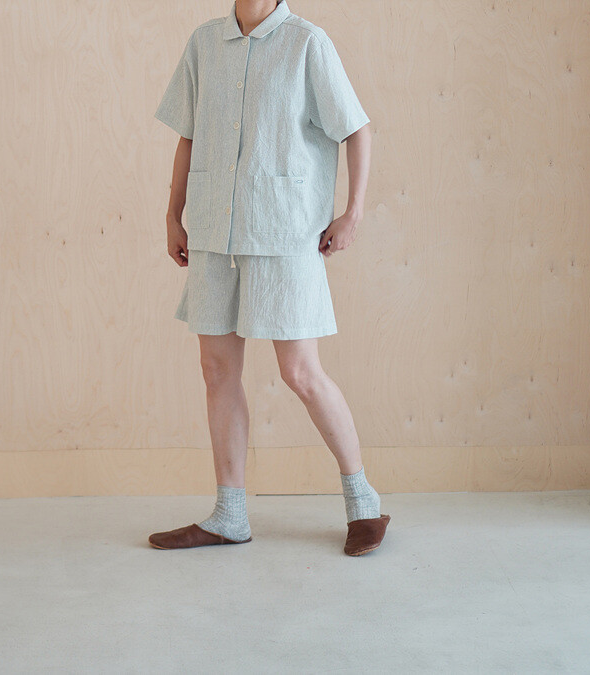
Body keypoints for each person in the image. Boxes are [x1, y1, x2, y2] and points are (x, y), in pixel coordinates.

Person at [149, 0, 389, 556]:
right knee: (216, 370)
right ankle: (229, 514)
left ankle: (364, 503)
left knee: (300, 371)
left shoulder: (307, 43)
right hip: (214, 231)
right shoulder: (204, 44)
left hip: (284, 232)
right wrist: (172, 215)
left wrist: (353, 213)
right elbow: (188, 136)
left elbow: (357, 129)